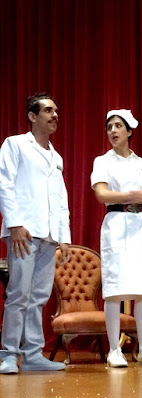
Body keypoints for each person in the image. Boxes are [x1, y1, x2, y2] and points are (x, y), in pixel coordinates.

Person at [91, 109, 142, 367]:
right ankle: (114, 350)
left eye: (118, 126)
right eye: (109, 127)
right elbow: (102, 194)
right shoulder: (102, 161)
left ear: (129, 131)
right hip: (116, 223)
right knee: (114, 289)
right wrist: (134, 194)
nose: (113, 131)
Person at [0, 93, 71, 373]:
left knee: (39, 297)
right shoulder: (15, 144)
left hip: (49, 235)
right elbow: (5, 184)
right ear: (32, 116)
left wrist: (63, 237)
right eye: (48, 110)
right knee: (19, 293)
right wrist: (15, 224)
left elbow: (61, 199)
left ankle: (32, 355)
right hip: (25, 232)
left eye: (56, 110)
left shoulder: (56, 157)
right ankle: (8, 355)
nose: (55, 115)